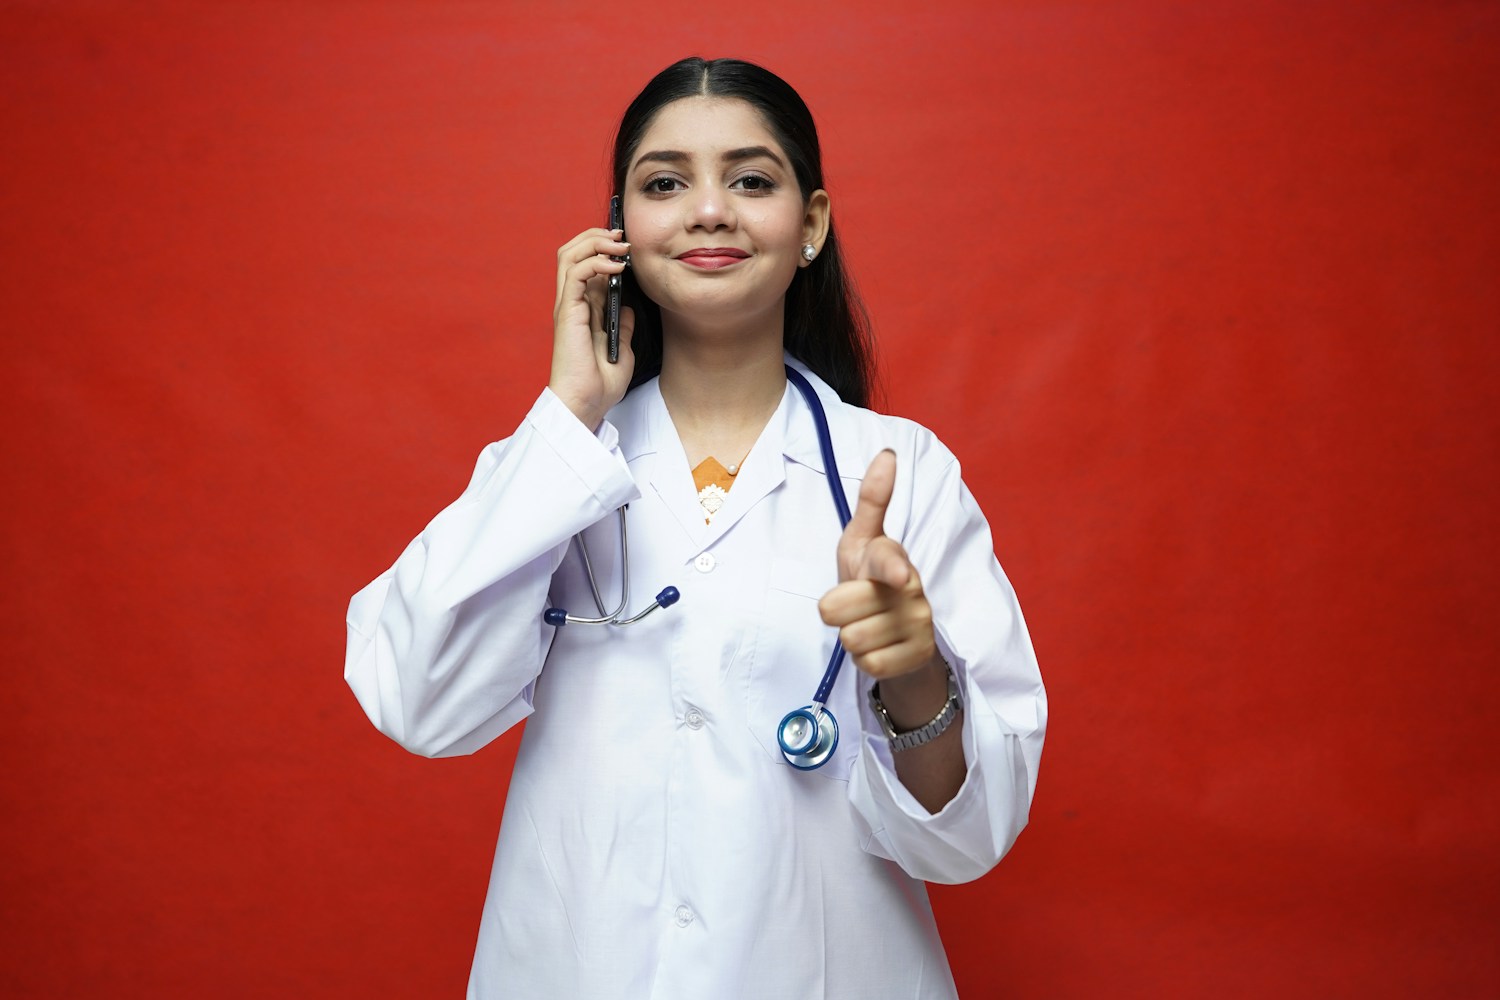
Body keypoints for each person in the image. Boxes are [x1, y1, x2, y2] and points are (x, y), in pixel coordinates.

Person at [345, 56, 1046, 999]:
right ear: (620, 231)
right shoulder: (552, 466)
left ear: (813, 225)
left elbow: (967, 842)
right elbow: (417, 702)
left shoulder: (900, 471)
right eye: (665, 183)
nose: (708, 210)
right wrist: (566, 414)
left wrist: (915, 673)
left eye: (752, 181)